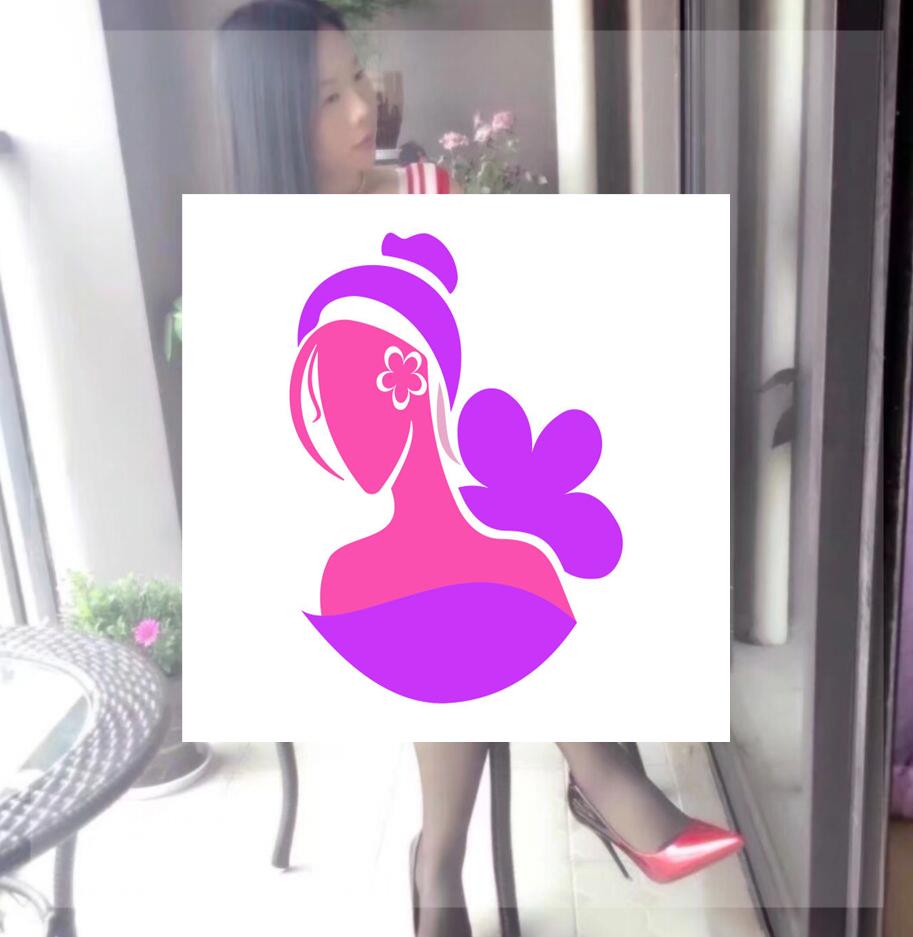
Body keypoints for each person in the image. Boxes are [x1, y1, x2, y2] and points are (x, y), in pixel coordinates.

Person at [290, 233, 744, 937]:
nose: (339, 421)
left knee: (493, 579)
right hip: (370, 586)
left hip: (477, 538)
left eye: (355, 384)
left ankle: (440, 864)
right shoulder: (343, 572)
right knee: (450, 600)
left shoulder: (515, 552)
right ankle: (586, 778)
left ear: (415, 380)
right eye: (326, 398)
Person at [214, 0, 458, 194]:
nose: (362, 109)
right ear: (275, 123)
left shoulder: (428, 192)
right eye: (330, 97)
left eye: (358, 74)